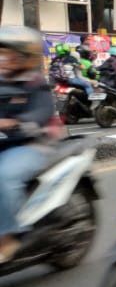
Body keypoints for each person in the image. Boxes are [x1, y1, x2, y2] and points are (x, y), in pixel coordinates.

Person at [0, 26, 56, 263]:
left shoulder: (36, 83)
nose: (4, 58)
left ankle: (8, 236)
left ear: (25, 55)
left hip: (31, 145)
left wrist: (14, 122)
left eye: (9, 53)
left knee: (4, 177)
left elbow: (43, 112)